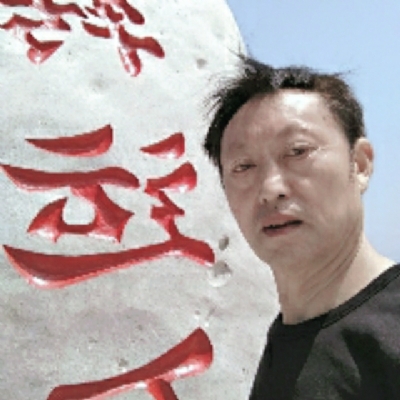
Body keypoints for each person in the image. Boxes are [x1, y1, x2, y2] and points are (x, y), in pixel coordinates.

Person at [203, 56, 400, 399]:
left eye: (297, 151)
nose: (270, 189)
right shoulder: (286, 348)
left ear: (359, 164)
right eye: (243, 166)